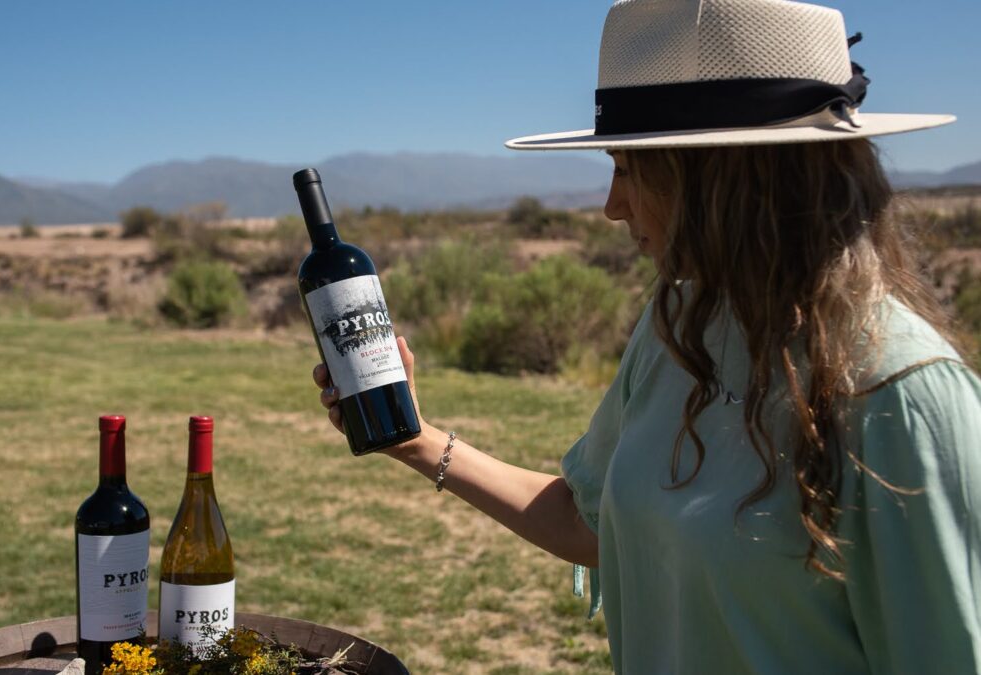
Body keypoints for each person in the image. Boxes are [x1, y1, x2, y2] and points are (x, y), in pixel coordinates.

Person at [312, 0, 981, 672]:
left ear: (726, 178)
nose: (611, 206)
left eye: (628, 169)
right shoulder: (682, 326)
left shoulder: (902, 397)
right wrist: (414, 439)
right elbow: (587, 521)